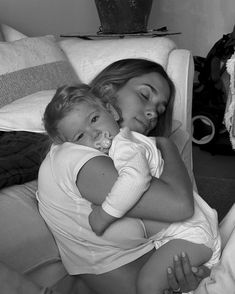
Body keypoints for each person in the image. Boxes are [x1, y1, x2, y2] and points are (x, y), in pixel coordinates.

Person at [36, 58, 205, 294]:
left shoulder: (121, 154)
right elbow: (182, 207)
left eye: (159, 109)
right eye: (145, 95)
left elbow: (187, 225)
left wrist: (199, 272)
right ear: (107, 95)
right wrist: (167, 145)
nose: (152, 113)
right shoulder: (76, 156)